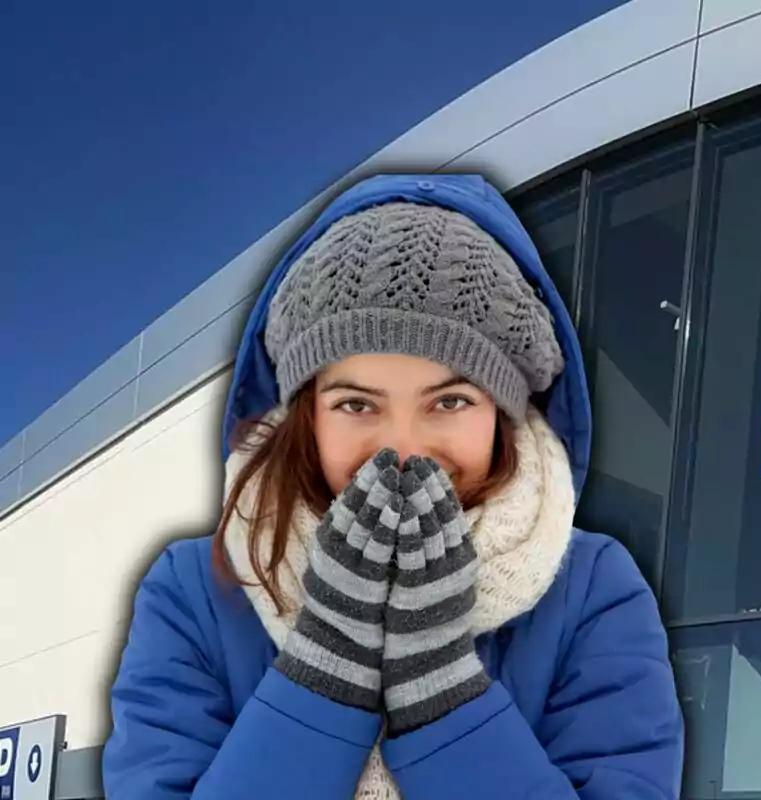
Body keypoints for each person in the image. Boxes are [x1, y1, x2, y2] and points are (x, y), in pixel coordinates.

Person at [101, 174, 685, 798]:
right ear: (307, 415)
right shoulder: (196, 591)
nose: (403, 448)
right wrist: (322, 673)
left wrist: (443, 696)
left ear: (504, 413)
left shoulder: (594, 589)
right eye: (357, 405)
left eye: (450, 401)